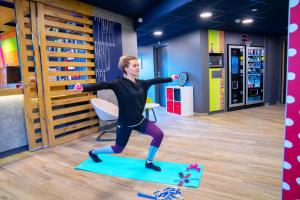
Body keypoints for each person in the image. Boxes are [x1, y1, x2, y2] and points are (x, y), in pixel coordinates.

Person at [74, 55, 177, 171]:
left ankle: (149, 162)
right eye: (134, 65)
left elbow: (156, 80)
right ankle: (93, 152)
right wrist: (83, 87)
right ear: (126, 69)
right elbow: (102, 85)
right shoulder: (119, 84)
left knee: (159, 134)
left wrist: (171, 78)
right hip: (125, 123)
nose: (138, 68)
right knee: (118, 149)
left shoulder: (143, 83)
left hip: (139, 120)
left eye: (138, 65)